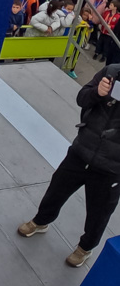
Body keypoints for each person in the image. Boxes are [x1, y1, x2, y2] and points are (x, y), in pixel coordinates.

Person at [18, 64, 120, 267]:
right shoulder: (111, 71)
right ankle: (41, 221)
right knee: (56, 190)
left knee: (99, 213)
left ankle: (85, 248)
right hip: (81, 151)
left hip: (111, 168)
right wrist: (97, 93)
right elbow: (82, 98)